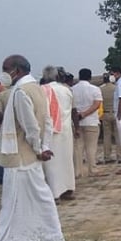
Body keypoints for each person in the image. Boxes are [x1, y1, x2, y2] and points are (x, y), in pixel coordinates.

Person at [0, 54, 65, 241]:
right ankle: (50, 240)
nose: (4, 73)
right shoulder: (37, 89)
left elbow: (31, 126)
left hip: (20, 158)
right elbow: (47, 121)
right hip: (29, 156)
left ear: (17, 69)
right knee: (39, 198)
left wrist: (39, 148)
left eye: (6, 68)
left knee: (11, 204)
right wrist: (44, 147)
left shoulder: (21, 92)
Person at [40, 66, 76, 202]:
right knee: (66, 160)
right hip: (66, 130)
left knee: (52, 163)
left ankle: (55, 193)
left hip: (51, 131)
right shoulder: (66, 90)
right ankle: (68, 189)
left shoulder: (43, 90)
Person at [71, 68, 102, 177]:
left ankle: (77, 171)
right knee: (91, 147)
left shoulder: (72, 89)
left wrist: (79, 115)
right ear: (90, 77)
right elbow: (97, 104)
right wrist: (84, 114)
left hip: (76, 123)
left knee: (78, 148)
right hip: (91, 121)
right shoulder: (95, 89)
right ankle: (92, 169)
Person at [99, 72, 118, 164]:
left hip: (105, 114)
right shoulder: (116, 88)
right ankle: (120, 155)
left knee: (107, 136)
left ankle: (107, 156)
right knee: (118, 136)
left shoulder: (100, 89)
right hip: (115, 113)